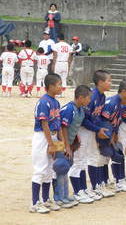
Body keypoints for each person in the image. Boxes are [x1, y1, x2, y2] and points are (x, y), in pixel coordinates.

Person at [30, 73, 63, 213]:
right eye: (59, 85)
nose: (61, 87)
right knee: (40, 169)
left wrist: (60, 141)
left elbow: (58, 123)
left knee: (49, 170)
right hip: (43, 138)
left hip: (52, 137)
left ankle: (45, 199)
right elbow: (44, 124)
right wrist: (50, 144)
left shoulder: (56, 102)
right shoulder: (44, 102)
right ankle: (35, 203)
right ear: (50, 87)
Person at [81, 70, 113, 200]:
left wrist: (101, 129)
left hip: (94, 129)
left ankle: (98, 185)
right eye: (108, 80)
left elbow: (97, 116)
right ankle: (95, 186)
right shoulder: (92, 96)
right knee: (91, 157)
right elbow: (84, 119)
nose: (110, 83)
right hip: (84, 130)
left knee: (97, 156)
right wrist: (97, 129)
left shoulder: (102, 96)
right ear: (100, 82)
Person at [60, 85, 94, 205]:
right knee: (60, 168)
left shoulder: (80, 109)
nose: (89, 101)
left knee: (72, 165)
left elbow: (75, 126)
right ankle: (75, 192)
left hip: (70, 141)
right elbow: (63, 127)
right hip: (61, 142)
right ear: (80, 98)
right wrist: (67, 146)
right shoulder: (70, 109)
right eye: (88, 98)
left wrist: (76, 138)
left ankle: (79, 190)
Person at [102, 79, 126, 192]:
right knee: (102, 159)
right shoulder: (112, 103)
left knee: (117, 155)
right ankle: (108, 182)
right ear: (124, 92)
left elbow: (115, 122)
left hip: (111, 133)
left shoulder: (120, 104)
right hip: (102, 134)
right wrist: (108, 137)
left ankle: (118, 180)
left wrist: (114, 134)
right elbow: (103, 121)